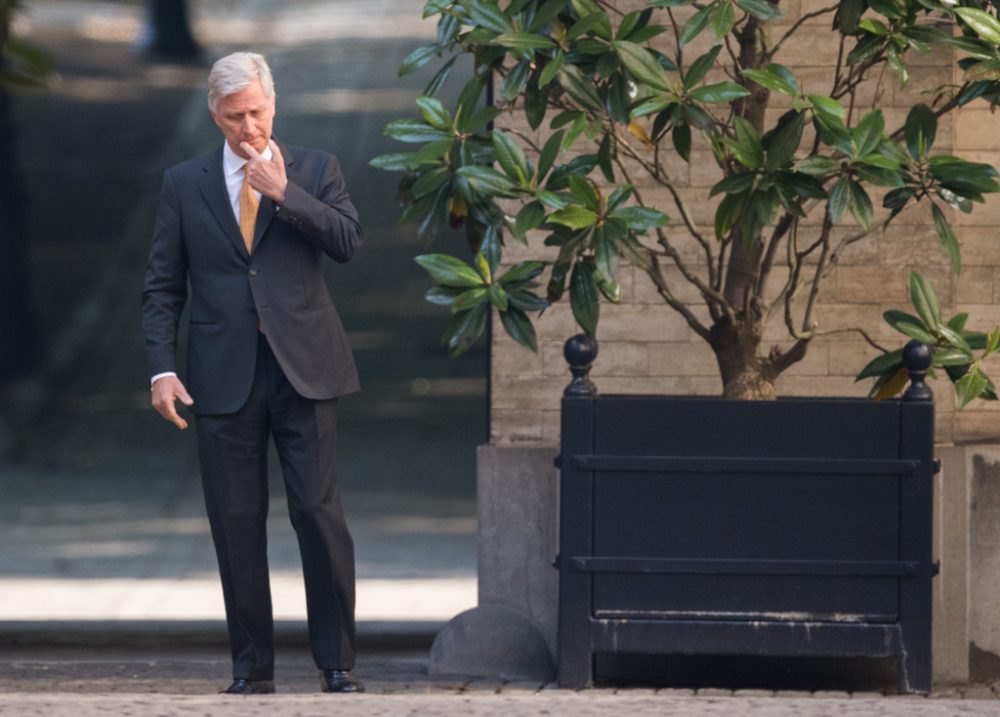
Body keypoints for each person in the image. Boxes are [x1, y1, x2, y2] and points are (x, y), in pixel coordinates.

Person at [141, 51, 363, 695]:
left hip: (306, 370)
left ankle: (335, 664)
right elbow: (162, 288)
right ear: (216, 116)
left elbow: (347, 242)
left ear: (274, 105)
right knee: (235, 521)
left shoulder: (318, 169)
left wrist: (283, 193)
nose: (249, 126)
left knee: (318, 516)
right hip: (221, 375)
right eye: (235, 116)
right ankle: (252, 670)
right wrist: (162, 369)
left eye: (258, 112)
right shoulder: (184, 184)